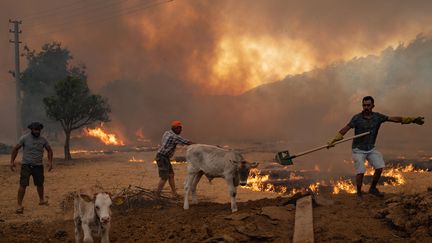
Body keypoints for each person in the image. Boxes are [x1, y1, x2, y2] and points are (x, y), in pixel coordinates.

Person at [327, 96, 424, 198]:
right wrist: (334, 140)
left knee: (379, 167)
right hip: (358, 150)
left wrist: (411, 120)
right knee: (360, 171)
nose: (366, 107)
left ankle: (372, 189)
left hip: (370, 148)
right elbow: (345, 129)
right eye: (364, 105)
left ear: (373, 106)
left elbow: (394, 119)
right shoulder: (357, 118)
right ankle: (359, 193)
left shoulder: (378, 117)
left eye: (368, 105)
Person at [10, 122, 53, 214]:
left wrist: (50, 162)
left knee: (40, 184)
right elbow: (15, 149)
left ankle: (41, 200)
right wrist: (12, 162)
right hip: (26, 165)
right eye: (35, 130)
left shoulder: (43, 140)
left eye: (38, 130)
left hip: (38, 166)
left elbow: (49, 150)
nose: (37, 131)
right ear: (31, 130)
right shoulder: (24, 138)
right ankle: (19, 205)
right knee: (23, 185)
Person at [155, 120, 193, 198]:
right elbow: (187, 142)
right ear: (175, 128)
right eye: (180, 128)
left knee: (171, 175)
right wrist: (200, 145)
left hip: (163, 156)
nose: (181, 130)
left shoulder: (167, 132)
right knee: (164, 177)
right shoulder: (174, 137)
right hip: (162, 157)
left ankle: (174, 193)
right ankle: (157, 195)